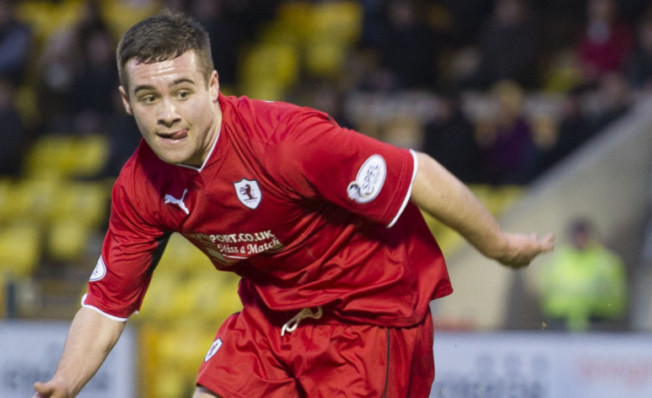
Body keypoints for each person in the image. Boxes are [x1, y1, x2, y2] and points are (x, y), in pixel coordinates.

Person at [33, 12, 553, 398]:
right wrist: (65, 382)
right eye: (149, 98)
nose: (168, 114)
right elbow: (105, 304)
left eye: (183, 92)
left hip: (371, 317)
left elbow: (418, 172)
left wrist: (499, 244)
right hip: (271, 317)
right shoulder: (139, 186)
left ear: (213, 87)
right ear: (127, 103)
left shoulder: (287, 142)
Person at [539, 218, 626, 332]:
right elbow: (545, 294)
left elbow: (618, 296)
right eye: (577, 236)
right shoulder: (557, 262)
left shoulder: (607, 262)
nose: (580, 240)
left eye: (583, 236)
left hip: (599, 322)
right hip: (561, 323)